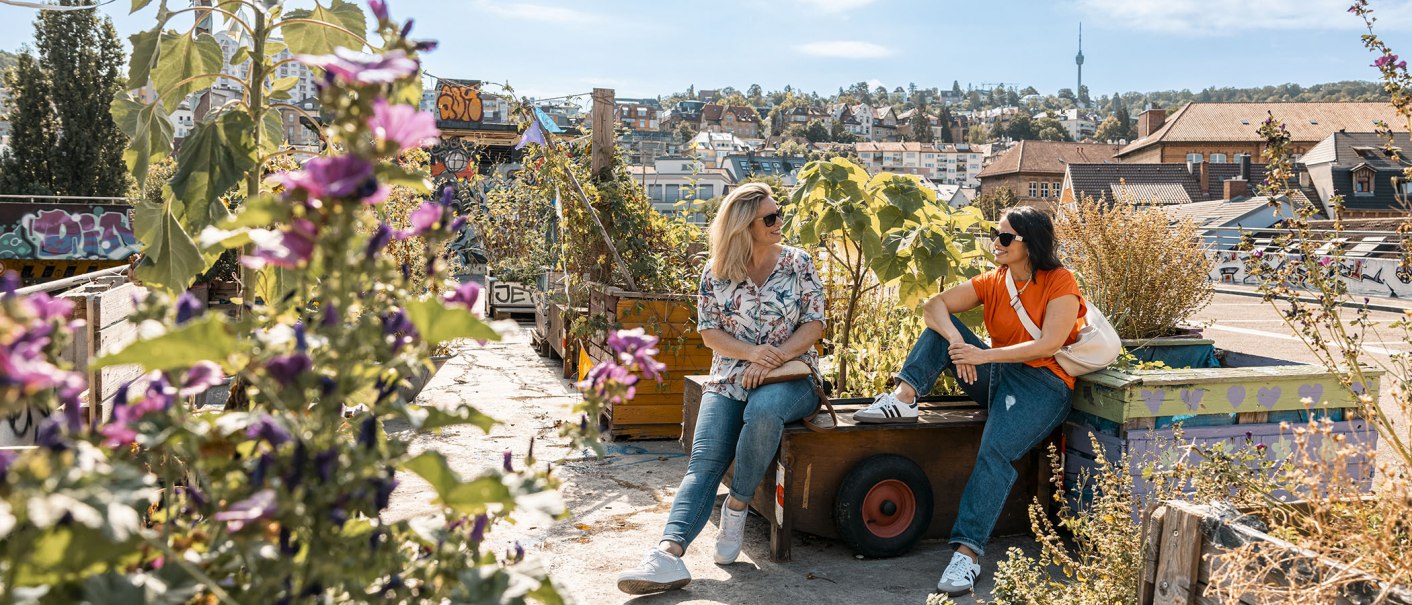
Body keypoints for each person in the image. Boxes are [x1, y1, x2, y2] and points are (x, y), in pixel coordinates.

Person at [851, 206, 1085, 597]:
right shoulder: (995, 280)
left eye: (1006, 237)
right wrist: (959, 343)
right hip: (999, 374)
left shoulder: (1059, 281)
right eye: (996, 234)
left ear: (1030, 243)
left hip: (1044, 385)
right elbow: (934, 306)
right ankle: (905, 397)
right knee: (943, 332)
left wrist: (982, 356)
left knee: (994, 451)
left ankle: (968, 554)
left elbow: (1049, 343)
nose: (996, 242)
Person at [616, 182, 827, 595]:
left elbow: (815, 325)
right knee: (705, 461)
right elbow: (710, 334)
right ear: (744, 225)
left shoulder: (798, 264)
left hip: (793, 376)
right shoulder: (715, 273)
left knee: (763, 412)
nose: (779, 222)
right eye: (769, 217)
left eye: (778, 213)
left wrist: (774, 358)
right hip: (731, 376)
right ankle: (667, 555)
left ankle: (737, 505)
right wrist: (752, 355)